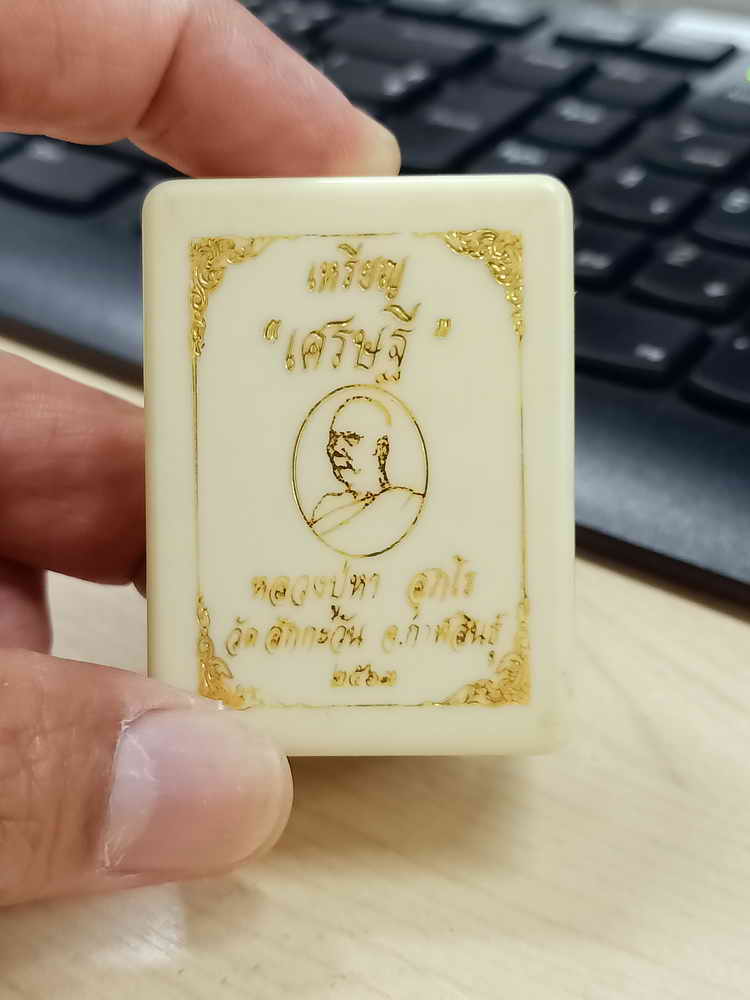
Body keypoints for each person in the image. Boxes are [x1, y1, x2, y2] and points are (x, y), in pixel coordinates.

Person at [0, 0, 400, 908]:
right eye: (333, 443)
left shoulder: (390, 505)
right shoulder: (327, 507)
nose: (340, 458)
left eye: (354, 443)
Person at [310, 395, 424, 556]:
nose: (336, 448)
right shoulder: (325, 507)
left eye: (351, 439)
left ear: (381, 449)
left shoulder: (408, 505)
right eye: (334, 438)